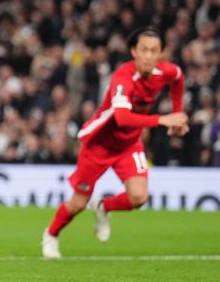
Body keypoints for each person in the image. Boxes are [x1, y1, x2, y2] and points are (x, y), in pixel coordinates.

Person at [42, 27, 188, 258]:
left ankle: (103, 206)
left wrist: (178, 116)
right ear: (134, 51)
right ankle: (51, 235)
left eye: (154, 51)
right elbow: (122, 117)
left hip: (129, 144)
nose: (149, 56)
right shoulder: (123, 77)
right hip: (99, 144)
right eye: (144, 50)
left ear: (160, 53)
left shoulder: (166, 71)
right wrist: (162, 119)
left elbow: (178, 78)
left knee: (139, 197)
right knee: (78, 203)